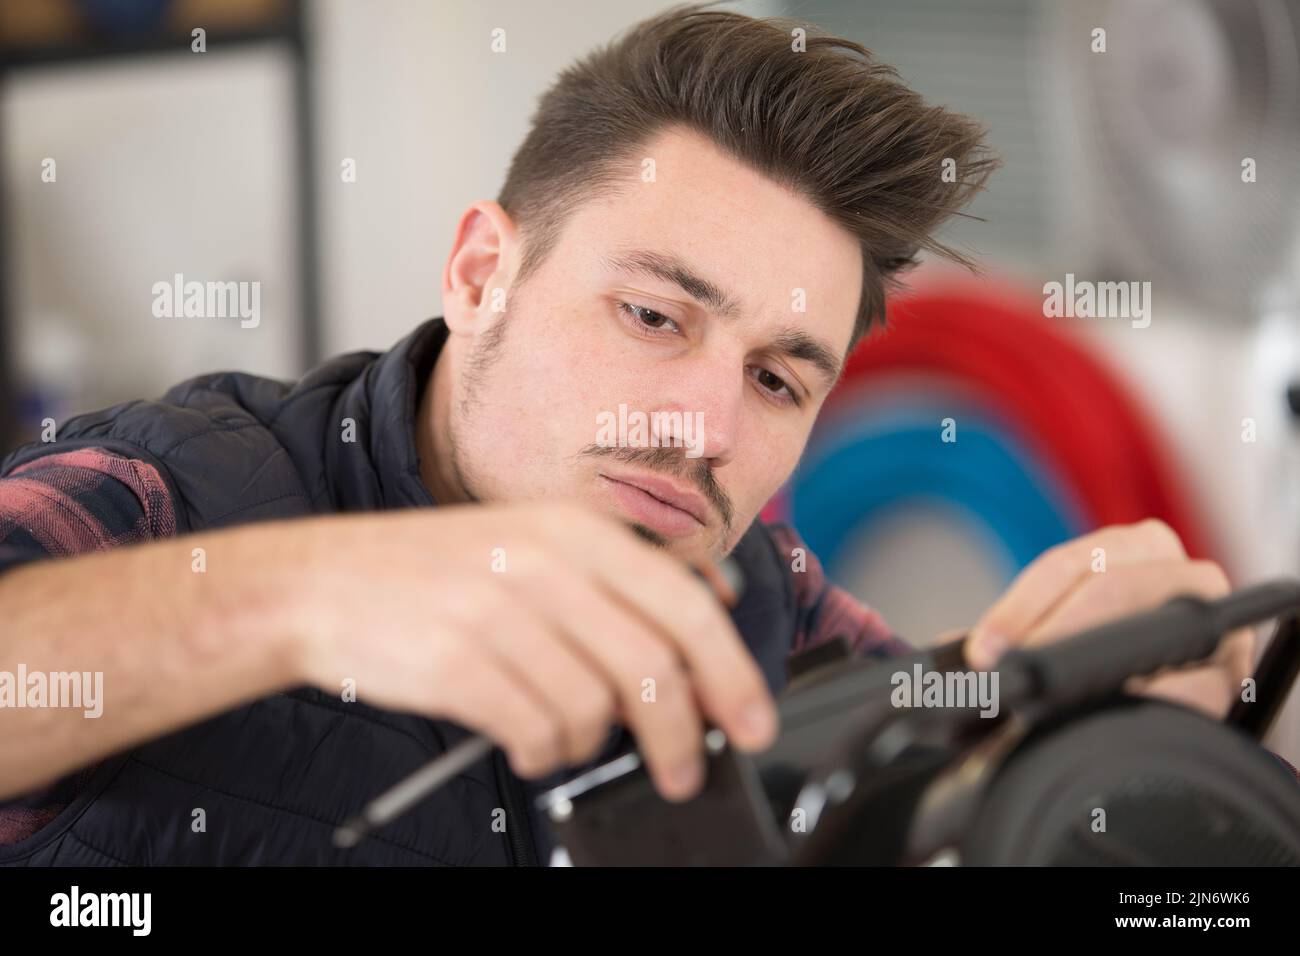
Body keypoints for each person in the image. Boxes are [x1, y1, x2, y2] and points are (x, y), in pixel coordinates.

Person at [0, 6, 1275, 866]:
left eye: (778, 380)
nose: (705, 430)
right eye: (654, 315)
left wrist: (1062, 720)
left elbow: (936, 757)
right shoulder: (168, 492)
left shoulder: (757, 602)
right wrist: (290, 601)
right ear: (480, 270)